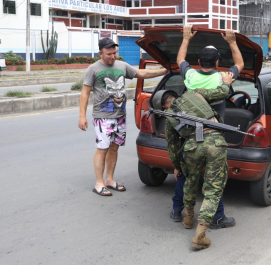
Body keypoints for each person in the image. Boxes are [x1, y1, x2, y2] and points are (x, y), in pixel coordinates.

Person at [167, 25, 244, 227]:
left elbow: (180, 60)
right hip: (214, 138)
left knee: (186, 175)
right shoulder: (222, 79)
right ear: (218, 62)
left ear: (199, 61)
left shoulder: (190, 77)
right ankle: (217, 217)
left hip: (190, 137)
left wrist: (186, 38)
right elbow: (240, 63)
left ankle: (177, 211)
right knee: (214, 180)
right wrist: (232, 42)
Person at [155, 71, 235, 249]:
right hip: (215, 142)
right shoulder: (196, 92)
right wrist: (227, 82)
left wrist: (177, 166)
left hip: (191, 147)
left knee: (190, 181)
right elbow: (220, 93)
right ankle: (200, 235)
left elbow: (173, 146)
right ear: (175, 95)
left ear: (162, 108)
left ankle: (188, 219)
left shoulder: (169, 118)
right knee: (213, 189)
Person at [78, 37, 167, 196]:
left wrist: (165, 70)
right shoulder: (93, 69)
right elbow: (85, 92)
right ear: (100, 53)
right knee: (102, 149)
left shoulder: (121, 65)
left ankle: (110, 180)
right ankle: (99, 183)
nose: (112, 56)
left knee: (114, 147)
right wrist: (82, 116)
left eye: (114, 53)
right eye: (109, 54)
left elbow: (142, 73)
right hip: (103, 116)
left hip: (120, 115)